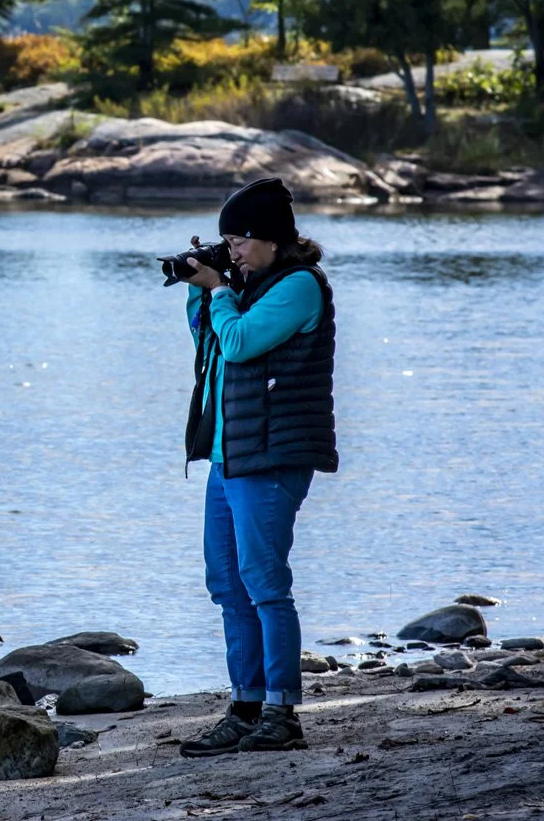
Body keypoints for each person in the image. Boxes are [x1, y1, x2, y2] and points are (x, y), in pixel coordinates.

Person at [174, 176, 338, 758]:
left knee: (265, 585)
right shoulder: (248, 284)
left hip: (271, 457)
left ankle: (282, 712)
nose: (234, 251)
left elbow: (241, 343)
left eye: (239, 239)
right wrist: (202, 290)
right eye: (227, 242)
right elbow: (211, 342)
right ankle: (244, 708)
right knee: (227, 585)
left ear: (270, 238)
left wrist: (219, 287)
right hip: (229, 458)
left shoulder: (297, 287)